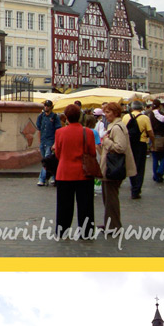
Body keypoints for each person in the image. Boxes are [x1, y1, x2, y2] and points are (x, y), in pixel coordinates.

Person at [53, 102, 97, 239]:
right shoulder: (88, 132)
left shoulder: (59, 132)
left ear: (66, 117)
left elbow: (58, 153)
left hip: (64, 172)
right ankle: (86, 232)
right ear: (79, 116)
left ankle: (62, 231)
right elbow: (92, 153)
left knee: (64, 205)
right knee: (86, 205)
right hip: (83, 173)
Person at [99, 101, 136, 233]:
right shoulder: (115, 126)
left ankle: (113, 226)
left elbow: (120, 147)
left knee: (111, 198)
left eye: (108, 112)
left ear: (115, 113)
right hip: (111, 167)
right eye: (105, 112)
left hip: (113, 168)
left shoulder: (117, 127)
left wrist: (106, 141)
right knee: (109, 198)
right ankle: (110, 223)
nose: (106, 115)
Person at [122, 100, 154, 199]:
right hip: (141, 143)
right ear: (141, 108)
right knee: (140, 166)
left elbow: (123, 131)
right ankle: (137, 189)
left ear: (132, 108)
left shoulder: (126, 117)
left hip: (129, 143)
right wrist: (153, 142)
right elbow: (150, 132)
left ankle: (133, 185)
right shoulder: (145, 118)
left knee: (131, 165)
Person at [36, 99, 60, 185]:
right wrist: (39, 141)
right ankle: (54, 177)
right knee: (48, 161)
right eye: (45, 105)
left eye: (47, 106)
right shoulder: (41, 116)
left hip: (51, 141)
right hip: (43, 141)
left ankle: (42, 179)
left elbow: (58, 130)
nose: (46, 107)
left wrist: (55, 143)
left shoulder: (55, 117)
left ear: (51, 107)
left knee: (46, 160)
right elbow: (38, 129)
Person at [149, 99, 164, 182]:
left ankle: (156, 176)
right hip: (162, 137)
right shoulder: (162, 115)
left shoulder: (149, 115)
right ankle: (160, 171)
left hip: (153, 138)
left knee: (155, 158)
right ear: (160, 106)